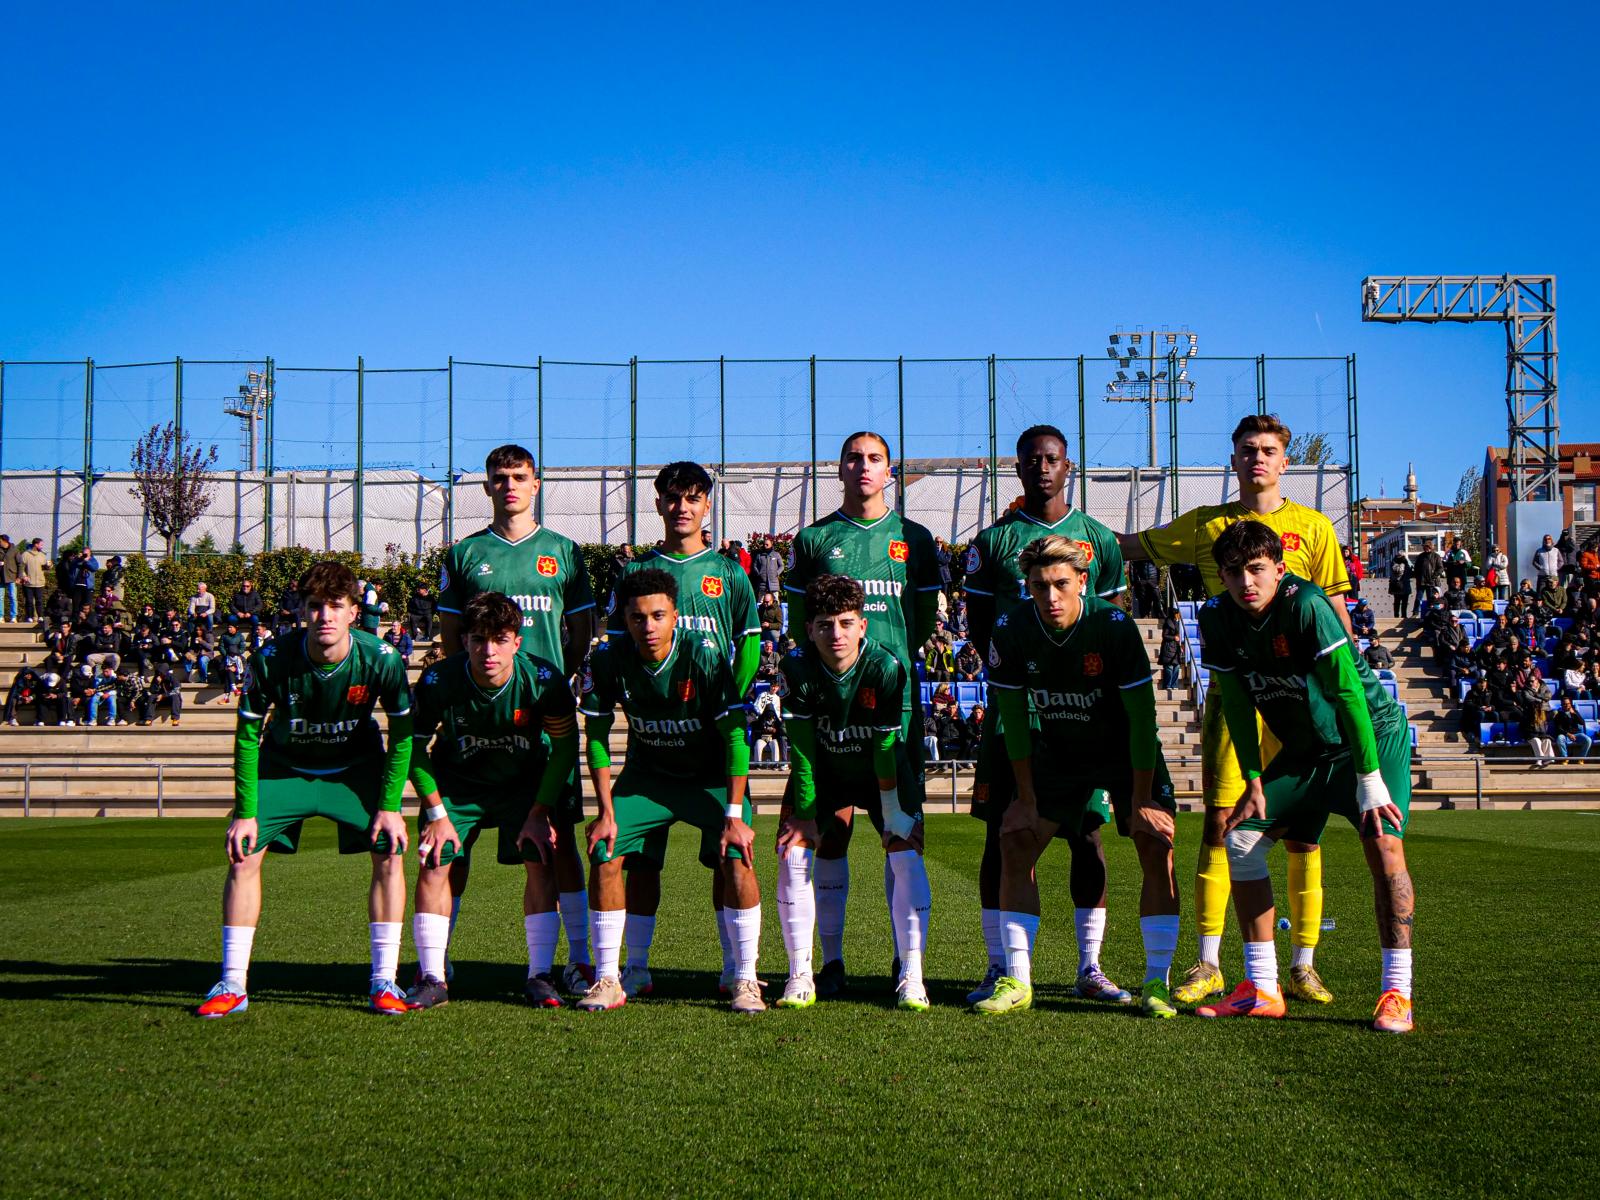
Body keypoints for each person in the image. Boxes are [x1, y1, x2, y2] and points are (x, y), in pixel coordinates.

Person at [1116, 413, 1354, 1008]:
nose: (1258, 458)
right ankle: (1208, 963)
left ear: (1285, 461)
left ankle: (1302, 964)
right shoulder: (1206, 525)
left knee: (1302, 834)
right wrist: (1066, 525)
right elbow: (1128, 544)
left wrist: (1349, 680)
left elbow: (1336, 610)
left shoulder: (1314, 527)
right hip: (1237, 698)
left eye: (1268, 450)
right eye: (1248, 449)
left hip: (1303, 704)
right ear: (1234, 460)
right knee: (1222, 824)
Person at [1195, 520, 1417, 1033]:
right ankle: (1262, 987)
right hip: (1305, 751)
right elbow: (1237, 702)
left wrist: (1369, 779)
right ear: (1221, 576)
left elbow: (1349, 694)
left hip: (1367, 739)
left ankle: (1397, 992)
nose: (1246, 582)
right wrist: (1253, 779)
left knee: (1384, 844)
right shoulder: (1217, 617)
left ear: (1279, 569)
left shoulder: (1307, 605)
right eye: (1234, 572)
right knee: (1241, 841)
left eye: (1256, 569)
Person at [195, 561, 414, 1019]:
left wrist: (390, 806)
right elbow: (247, 736)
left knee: (390, 851)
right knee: (243, 853)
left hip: (354, 770)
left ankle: (384, 980)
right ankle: (233, 982)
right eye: (315, 606)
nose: (325, 616)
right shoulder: (271, 658)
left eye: (336, 606)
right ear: (301, 611)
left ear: (354, 612)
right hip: (285, 769)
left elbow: (403, 736)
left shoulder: (382, 658)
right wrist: (245, 811)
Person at [974, 535, 1181, 1016]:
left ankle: (1157, 982)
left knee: (1156, 843)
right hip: (1060, 749)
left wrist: (1142, 799)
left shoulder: (1113, 625)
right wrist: (1026, 798)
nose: (1050, 596)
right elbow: (1015, 719)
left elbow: (1142, 719)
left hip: (1121, 749)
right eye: (1039, 586)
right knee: (1015, 840)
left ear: (1083, 582)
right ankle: (1017, 980)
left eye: (1061, 584)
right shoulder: (1012, 627)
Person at [962, 424, 1128, 1005]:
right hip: (1015, 713)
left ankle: (1090, 966)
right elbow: (981, 628)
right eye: (1031, 460)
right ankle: (998, 965)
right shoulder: (993, 542)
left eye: (1052, 459)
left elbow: (1113, 625)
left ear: (1068, 466)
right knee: (1001, 833)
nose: (1042, 468)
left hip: (1082, 716)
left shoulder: (1099, 540)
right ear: (1018, 468)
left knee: (1088, 834)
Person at [782, 430, 941, 1000]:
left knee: (900, 832)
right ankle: (829, 964)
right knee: (830, 834)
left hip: (892, 701)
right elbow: (801, 620)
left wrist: (882, 665)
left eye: (875, 459)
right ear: (840, 468)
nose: (864, 467)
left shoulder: (915, 539)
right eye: (854, 458)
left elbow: (923, 620)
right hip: (827, 706)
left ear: (890, 471)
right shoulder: (814, 538)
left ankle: (906, 965)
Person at [436, 444, 597, 993]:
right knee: (455, 846)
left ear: (536, 484)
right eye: (500, 477)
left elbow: (580, 633)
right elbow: (452, 638)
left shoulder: (565, 552)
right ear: (487, 486)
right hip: (480, 722)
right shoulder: (465, 554)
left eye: (519, 476)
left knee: (560, 840)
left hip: (544, 721)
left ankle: (578, 960)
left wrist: (550, 685)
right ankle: (438, 961)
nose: (509, 485)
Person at [602, 462, 762, 998]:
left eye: (693, 498)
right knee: (641, 862)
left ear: (707, 505)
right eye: (672, 498)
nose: (682, 508)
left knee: (727, 856)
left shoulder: (729, 572)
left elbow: (749, 642)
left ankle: (735, 970)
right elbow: (617, 651)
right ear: (658, 504)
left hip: (712, 744)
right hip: (653, 748)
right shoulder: (636, 573)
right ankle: (634, 968)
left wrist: (728, 700)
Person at [578, 567, 765, 1014]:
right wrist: (605, 811)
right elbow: (597, 737)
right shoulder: (608, 659)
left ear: (675, 616)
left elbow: (736, 737)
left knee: (736, 854)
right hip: (648, 777)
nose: (648, 626)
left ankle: (742, 976)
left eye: (658, 615)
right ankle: (612, 977)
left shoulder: (703, 655)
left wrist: (734, 815)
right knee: (605, 849)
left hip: (709, 776)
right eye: (637, 617)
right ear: (624, 619)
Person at [403, 591, 581, 1010]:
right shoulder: (439, 680)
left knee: (541, 857)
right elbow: (412, 747)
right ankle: (432, 977)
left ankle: (540, 974)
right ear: (464, 640)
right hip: (458, 784)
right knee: (435, 859)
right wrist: (436, 813)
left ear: (517, 642)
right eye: (479, 639)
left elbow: (563, 748)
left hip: (523, 784)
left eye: (500, 640)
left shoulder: (544, 680)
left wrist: (540, 811)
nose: (489, 651)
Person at [775, 574, 934, 1011]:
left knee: (906, 853)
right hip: (824, 771)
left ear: (862, 625)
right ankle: (804, 973)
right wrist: (805, 812)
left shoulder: (885, 666)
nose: (836, 634)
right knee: (793, 853)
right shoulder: (795, 668)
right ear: (809, 629)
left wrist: (893, 811)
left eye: (846, 623)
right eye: (825, 624)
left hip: (880, 772)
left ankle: (911, 974)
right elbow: (802, 750)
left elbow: (884, 747)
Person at [1551, 697, 1592, 763]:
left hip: (1576, 734)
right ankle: (1565, 758)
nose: (1566, 705)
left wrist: (1574, 714)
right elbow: (1558, 728)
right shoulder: (1559, 715)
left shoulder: (1575, 712)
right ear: (1561, 705)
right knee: (1560, 738)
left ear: (1570, 704)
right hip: (1565, 735)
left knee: (1588, 740)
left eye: (1568, 703)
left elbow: (1582, 722)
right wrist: (1568, 734)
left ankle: (1581, 758)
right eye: (1564, 704)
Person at [18, 538, 48, 623]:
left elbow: (44, 567)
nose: (42, 546)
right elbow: (21, 567)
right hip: (28, 583)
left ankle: (40, 616)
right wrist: (24, 576)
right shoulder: (25, 554)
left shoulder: (42, 555)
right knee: (29, 601)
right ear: (36, 544)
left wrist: (48, 566)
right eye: (41, 545)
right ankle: (29, 617)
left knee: (39, 601)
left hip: (40, 583)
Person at [1414, 544, 1444, 615]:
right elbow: (1416, 568)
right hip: (1421, 581)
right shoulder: (1421, 556)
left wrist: (1433, 576)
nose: (1426, 549)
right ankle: (1415, 613)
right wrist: (1418, 576)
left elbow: (1440, 568)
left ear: (1431, 548)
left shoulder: (1436, 556)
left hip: (1432, 581)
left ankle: (1430, 613)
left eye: (1428, 547)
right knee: (1418, 598)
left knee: (1430, 599)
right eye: (1425, 547)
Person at [1157, 610, 1183, 690]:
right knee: (1169, 667)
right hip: (1168, 647)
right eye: (1178, 614)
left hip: (1175, 647)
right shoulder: (1168, 623)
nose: (1179, 616)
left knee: (1177, 666)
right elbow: (1164, 635)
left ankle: (1174, 685)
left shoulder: (1177, 622)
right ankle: (1167, 685)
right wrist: (1174, 637)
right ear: (1175, 614)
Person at [1387, 553, 1413, 620]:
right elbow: (1400, 571)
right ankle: (1401, 615)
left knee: (1399, 602)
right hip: (1401, 585)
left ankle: (1399, 615)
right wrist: (1405, 564)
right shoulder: (1402, 563)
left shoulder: (1394, 562)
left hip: (1399, 585)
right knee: (1401, 602)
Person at [0, 534, 18, 622]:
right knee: (0, 598)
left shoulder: (14, 549)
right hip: (0, 577)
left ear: (5, 541)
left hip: (11, 576)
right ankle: (1, 616)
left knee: (13, 597)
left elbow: (20, 563)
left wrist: (19, 576)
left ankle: (13, 616)